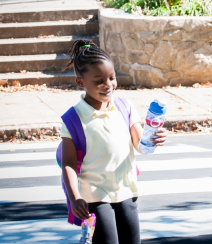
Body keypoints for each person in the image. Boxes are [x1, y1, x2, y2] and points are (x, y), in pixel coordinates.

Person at [60, 39, 168, 244]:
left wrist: (153, 139)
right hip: (94, 196)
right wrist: (74, 198)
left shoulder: (124, 107)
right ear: (80, 82)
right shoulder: (73, 119)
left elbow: (140, 144)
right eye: (99, 80)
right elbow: (68, 164)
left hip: (126, 190)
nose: (108, 85)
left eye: (111, 77)